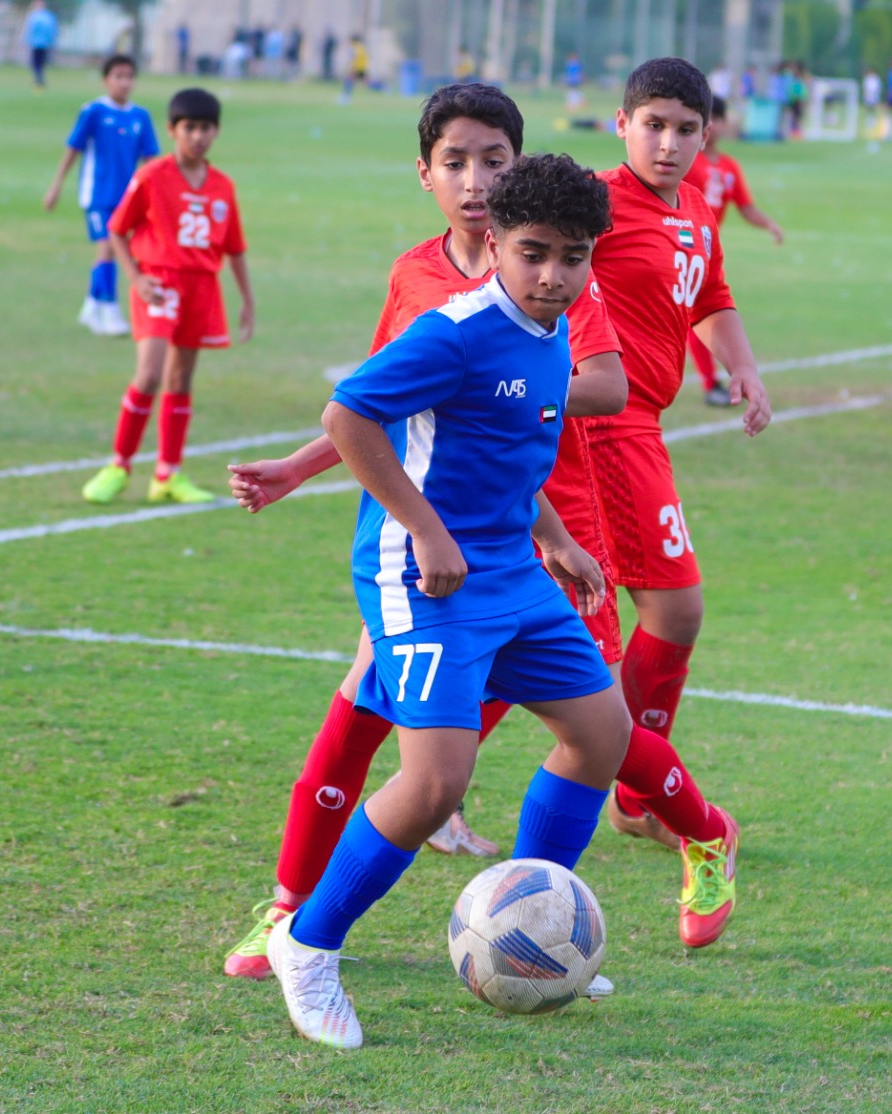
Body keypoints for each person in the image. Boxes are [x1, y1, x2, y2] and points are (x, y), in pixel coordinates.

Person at [223, 83, 741, 981]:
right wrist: (301, 468)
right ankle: (288, 915)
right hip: (428, 538)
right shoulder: (420, 280)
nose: (474, 180)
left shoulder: (561, 274)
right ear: (425, 174)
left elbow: (606, 385)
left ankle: (683, 841)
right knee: (362, 722)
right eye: (454, 162)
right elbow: (378, 399)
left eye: (492, 161)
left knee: (598, 728)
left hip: (543, 521)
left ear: (517, 171)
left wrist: (512, 396)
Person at [263, 153, 627, 1050]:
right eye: (534, 253)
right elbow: (348, 417)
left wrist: (557, 540)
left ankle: (534, 920)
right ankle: (306, 945)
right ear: (494, 243)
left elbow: (512, 451)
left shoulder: (552, 332)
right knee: (434, 784)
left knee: (600, 735)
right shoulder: (456, 331)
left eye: (574, 256)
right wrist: (425, 529)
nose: (554, 275)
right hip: (423, 576)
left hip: (510, 567)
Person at [582, 58, 770, 844]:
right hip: (598, 427)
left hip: (643, 427)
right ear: (621, 124)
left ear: (707, 135)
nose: (667, 143)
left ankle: (633, 792)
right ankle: (639, 793)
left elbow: (711, 295)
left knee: (573, 627)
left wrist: (745, 368)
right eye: (652, 125)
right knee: (654, 613)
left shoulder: (695, 205)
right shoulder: (593, 202)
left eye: (684, 129)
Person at [81, 88, 254, 506]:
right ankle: (119, 465)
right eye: (189, 127)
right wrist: (136, 278)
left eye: (206, 128)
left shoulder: (222, 186)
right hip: (159, 283)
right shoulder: (152, 176)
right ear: (172, 130)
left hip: (202, 285)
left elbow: (234, 248)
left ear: (216, 132)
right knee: (150, 373)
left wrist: (247, 300)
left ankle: (167, 475)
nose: (198, 136)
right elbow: (117, 229)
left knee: (180, 379)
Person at [43, 54, 160, 338]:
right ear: (106, 80)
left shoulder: (140, 116)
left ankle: (91, 305)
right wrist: (56, 185)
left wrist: (158, 195)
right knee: (108, 248)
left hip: (127, 197)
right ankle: (110, 309)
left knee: (112, 250)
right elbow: (73, 150)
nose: (124, 82)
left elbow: (150, 160)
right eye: (118, 76)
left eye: (129, 76)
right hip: (97, 194)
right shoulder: (93, 111)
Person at [683, 94, 783, 406]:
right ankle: (710, 384)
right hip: (682, 248)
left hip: (708, 253)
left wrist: (769, 224)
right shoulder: (688, 162)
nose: (712, 127)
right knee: (694, 316)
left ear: (723, 124)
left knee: (699, 315)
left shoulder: (728, 167)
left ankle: (713, 383)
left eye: (716, 120)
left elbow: (745, 206)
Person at [24, 1, 58, 89]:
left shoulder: (34, 16)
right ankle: (40, 79)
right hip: (46, 43)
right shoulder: (49, 16)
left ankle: (39, 79)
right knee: (41, 62)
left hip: (36, 43)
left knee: (36, 62)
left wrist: (27, 40)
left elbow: (31, 29)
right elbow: (53, 30)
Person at [340, 34, 368, 104]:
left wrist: (352, 68)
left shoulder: (355, 48)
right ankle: (383, 88)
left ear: (353, 41)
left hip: (358, 68)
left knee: (349, 80)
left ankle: (345, 98)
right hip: (361, 68)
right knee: (365, 83)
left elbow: (355, 59)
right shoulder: (360, 47)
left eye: (349, 40)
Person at [862, 66, 883, 136]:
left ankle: (875, 121)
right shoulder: (867, 79)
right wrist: (866, 96)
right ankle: (869, 120)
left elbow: (878, 89)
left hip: (875, 97)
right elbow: (865, 88)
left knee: (874, 109)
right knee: (869, 109)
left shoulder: (877, 79)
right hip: (868, 97)